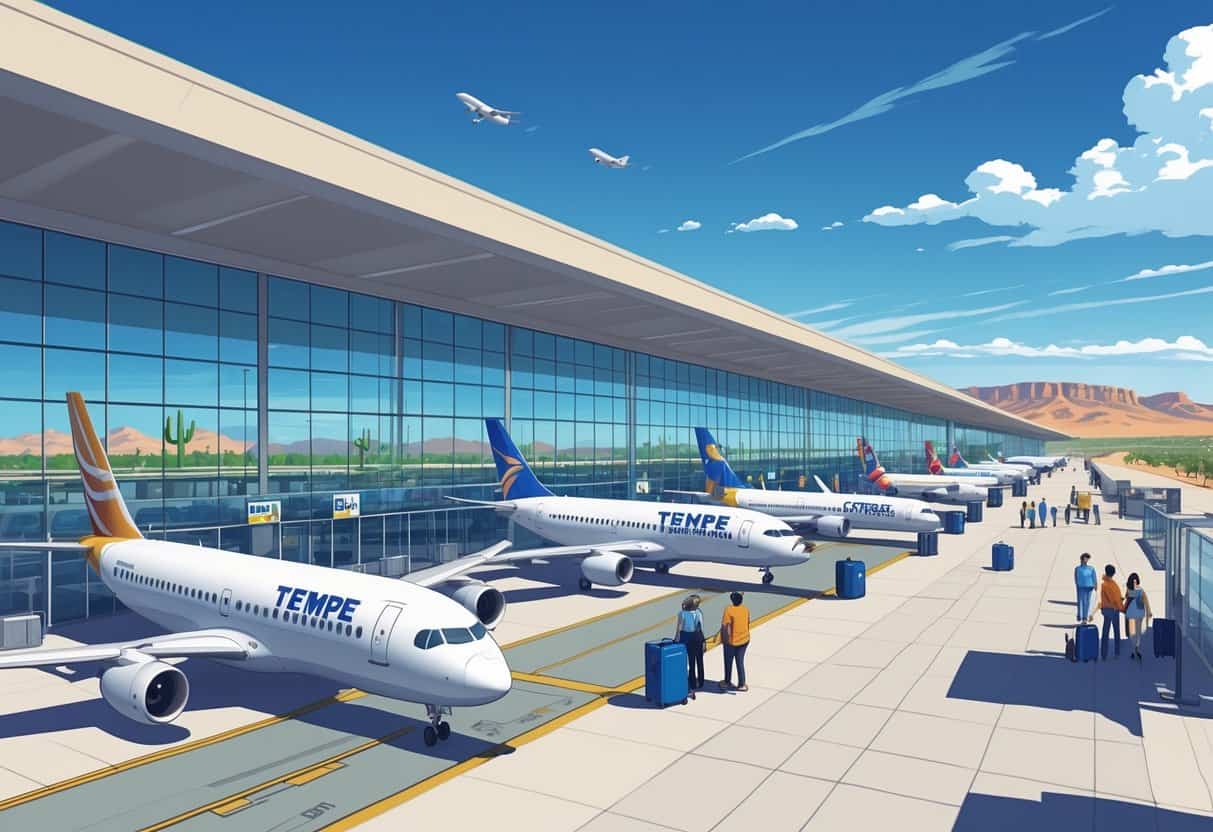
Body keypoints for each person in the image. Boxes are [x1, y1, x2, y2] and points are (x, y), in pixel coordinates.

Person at [673, 594, 705, 697]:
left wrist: (676, 639)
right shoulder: (699, 613)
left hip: (688, 638)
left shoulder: (682, 614)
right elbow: (701, 627)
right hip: (698, 637)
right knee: (699, 660)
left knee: (691, 663)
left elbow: (679, 628)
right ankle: (701, 681)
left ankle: (692, 684)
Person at [720, 591, 751, 692]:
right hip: (744, 639)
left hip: (732, 642)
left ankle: (727, 682)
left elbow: (725, 627)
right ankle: (741, 684)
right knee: (740, 662)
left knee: (728, 662)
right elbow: (747, 622)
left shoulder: (728, 610)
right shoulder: (745, 609)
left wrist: (725, 640)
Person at [1122, 573, 1153, 663]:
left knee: (1132, 633)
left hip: (1131, 613)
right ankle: (1136, 648)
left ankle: (1133, 649)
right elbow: (1145, 601)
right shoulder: (1140, 590)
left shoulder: (1129, 590)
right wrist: (1149, 611)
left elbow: (1126, 599)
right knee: (1137, 632)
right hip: (1139, 613)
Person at [1099, 565, 1124, 660]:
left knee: (1105, 632)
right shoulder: (1112, 584)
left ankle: (1104, 654)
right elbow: (1113, 598)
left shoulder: (1104, 584)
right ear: (1113, 573)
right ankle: (1117, 653)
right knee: (1116, 631)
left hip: (1106, 609)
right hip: (1113, 610)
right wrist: (1120, 604)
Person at [1074, 553, 1097, 623]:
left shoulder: (1091, 568)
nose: (1086, 560)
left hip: (1089, 587)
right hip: (1081, 587)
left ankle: (1085, 617)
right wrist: (1077, 585)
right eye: (1085, 558)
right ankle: (1080, 616)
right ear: (1082, 559)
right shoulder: (1078, 568)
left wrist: (1095, 585)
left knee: (1087, 602)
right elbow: (1076, 578)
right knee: (1081, 602)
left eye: (1087, 558)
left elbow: (1094, 577)